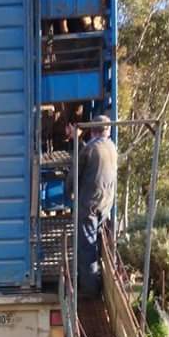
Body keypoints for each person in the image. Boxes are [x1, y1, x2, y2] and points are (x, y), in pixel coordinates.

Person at [67, 114, 117, 299]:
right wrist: (77, 140)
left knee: (86, 247)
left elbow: (75, 173)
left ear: (93, 130)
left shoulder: (90, 148)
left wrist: (68, 191)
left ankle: (89, 290)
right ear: (108, 130)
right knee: (97, 243)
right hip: (105, 204)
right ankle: (98, 282)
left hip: (89, 205)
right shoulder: (112, 148)